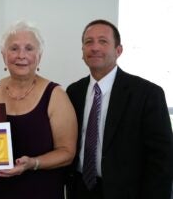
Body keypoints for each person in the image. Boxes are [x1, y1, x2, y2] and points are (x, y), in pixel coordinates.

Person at [66, 19, 173, 199]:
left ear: (118, 50)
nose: (95, 47)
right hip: (80, 189)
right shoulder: (73, 92)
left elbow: (163, 159)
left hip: (127, 192)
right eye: (88, 42)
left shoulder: (147, 93)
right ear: (82, 52)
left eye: (103, 41)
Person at [0, 21, 78, 199]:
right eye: (14, 48)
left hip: (41, 191)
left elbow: (67, 153)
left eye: (29, 48)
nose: (21, 55)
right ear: (4, 55)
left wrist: (33, 163)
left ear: (40, 56)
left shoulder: (55, 95)